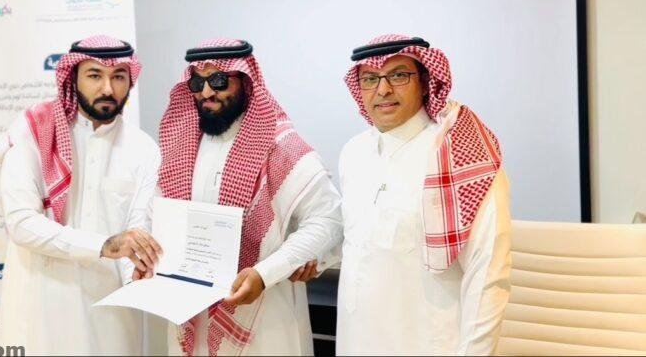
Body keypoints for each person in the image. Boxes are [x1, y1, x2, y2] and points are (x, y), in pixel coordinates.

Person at [157, 38, 343, 356]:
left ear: (245, 80)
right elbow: (161, 216)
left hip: (265, 318)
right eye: (198, 83)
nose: (207, 92)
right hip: (192, 314)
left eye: (219, 80)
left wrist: (265, 273)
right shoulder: (179, 145)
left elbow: (328, 220)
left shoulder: (282, 146)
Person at [0, 35, 162, 355]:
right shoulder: (33, 134)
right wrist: (105, 245)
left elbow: (139, 228)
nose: (108, 88)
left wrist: (137, 271)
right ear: (73, 77)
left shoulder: (143, 149)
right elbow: (21, 223)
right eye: (95, 75)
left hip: (111, 315)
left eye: (118, 77)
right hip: (42, 308)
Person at [336, 34, 512, 355]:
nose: (383, 89)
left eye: (399, 75)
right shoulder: (353, 153)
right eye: (370, 78)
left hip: (428, 344)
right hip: (356, 340)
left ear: (426, 81)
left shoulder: (458, 155)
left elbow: (488, 275)